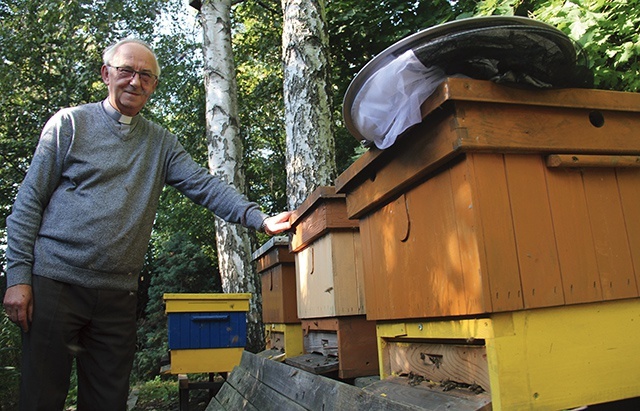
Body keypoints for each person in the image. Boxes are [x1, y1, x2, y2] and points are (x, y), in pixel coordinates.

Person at [2, 38, 292, 411]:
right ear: (106, 74)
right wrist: (18, 278)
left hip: (118, 297)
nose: (135, 82)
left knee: (109, 401)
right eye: (126, 71)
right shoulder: (70, 124)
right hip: (55, 284)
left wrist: (259, 219)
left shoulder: (161, 143)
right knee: (40, 399)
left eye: (146, 76)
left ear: (154, 85)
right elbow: (28, 203)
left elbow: (204, 186)